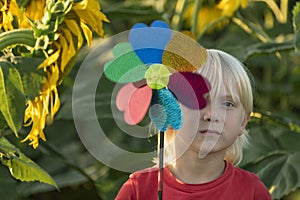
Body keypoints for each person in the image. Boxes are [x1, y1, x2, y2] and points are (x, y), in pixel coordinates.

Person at [115, 49, 272, 200]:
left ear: (243, 122)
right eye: (198, 100)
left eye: (228, 104)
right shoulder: (138, 189)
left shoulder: (252, 191)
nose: (212, 115)